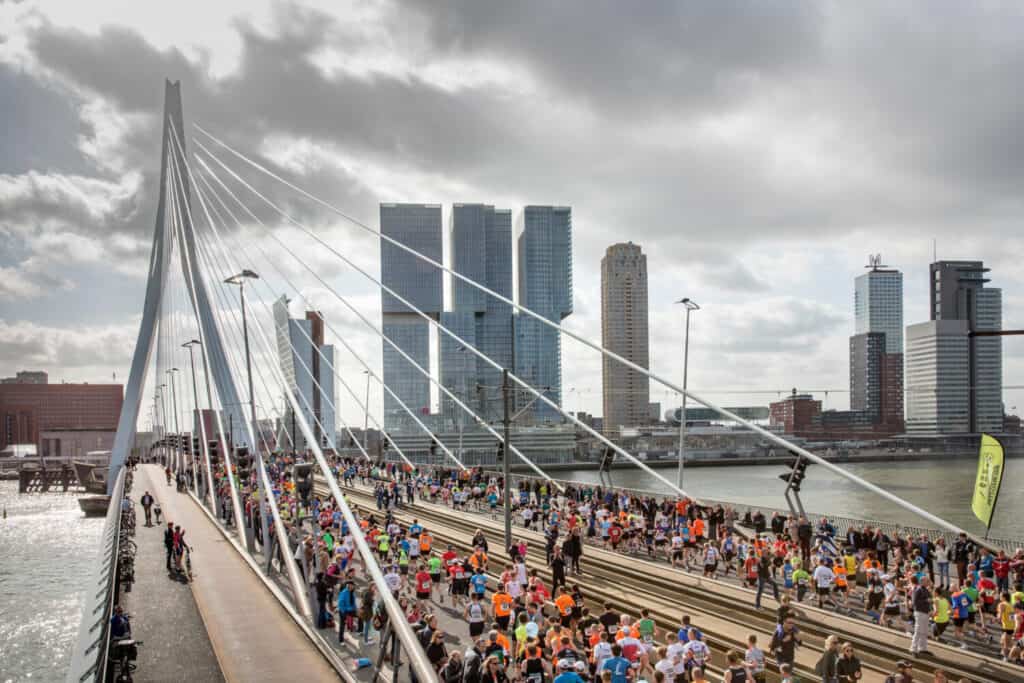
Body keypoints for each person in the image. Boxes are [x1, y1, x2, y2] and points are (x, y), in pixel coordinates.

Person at [910, 575, 933, 656]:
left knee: (924, 631)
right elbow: (914, 602)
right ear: (922, 581)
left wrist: (930, 609)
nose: (928, 582)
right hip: (919, 612)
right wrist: (926, 600)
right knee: (918, 631)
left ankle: (922, 648)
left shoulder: (925, 590)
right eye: (927, 581)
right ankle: (913, 649)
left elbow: (929, 600)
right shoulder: (918, 589)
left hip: (925, 612)